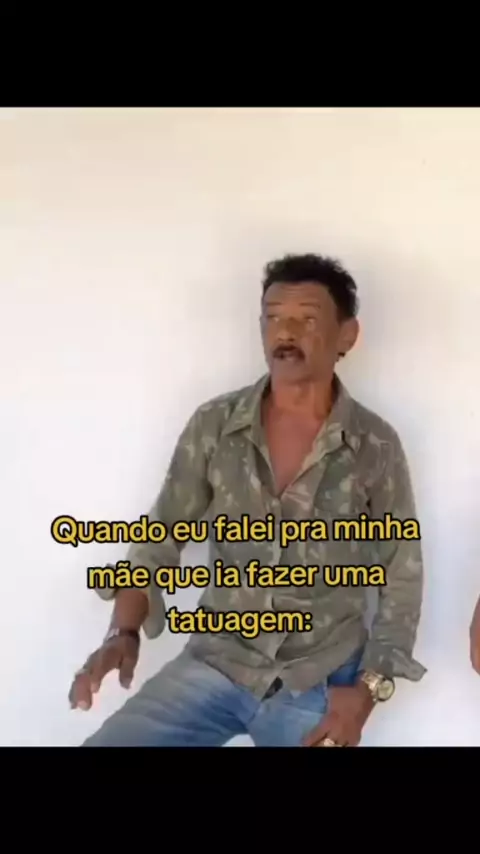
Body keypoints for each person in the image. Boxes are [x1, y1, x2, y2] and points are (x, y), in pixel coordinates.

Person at [70, 252, 426, 747]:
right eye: (274, 317)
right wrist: (121, 634)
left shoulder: (374, 445)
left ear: (347, 335)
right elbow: (160, 535)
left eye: (307, 319)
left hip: (318, 679)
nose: (286, 332)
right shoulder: (215, 425)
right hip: (217, 661)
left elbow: (402, 573)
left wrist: (367, 690)